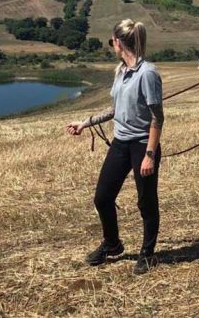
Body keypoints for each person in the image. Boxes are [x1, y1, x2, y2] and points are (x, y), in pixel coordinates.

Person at [66, 19, 164, 275]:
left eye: (112, 42)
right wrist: (85, 123)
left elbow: (157, 118)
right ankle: (112, 244)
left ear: (118, 43)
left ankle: (147, 254)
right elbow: (115, 110)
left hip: (143, 144)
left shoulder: (147, 74)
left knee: (146, 202)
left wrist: (150, 155)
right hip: (121, 143)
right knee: (102, 197)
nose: (112, 46)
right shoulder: (121, 72)